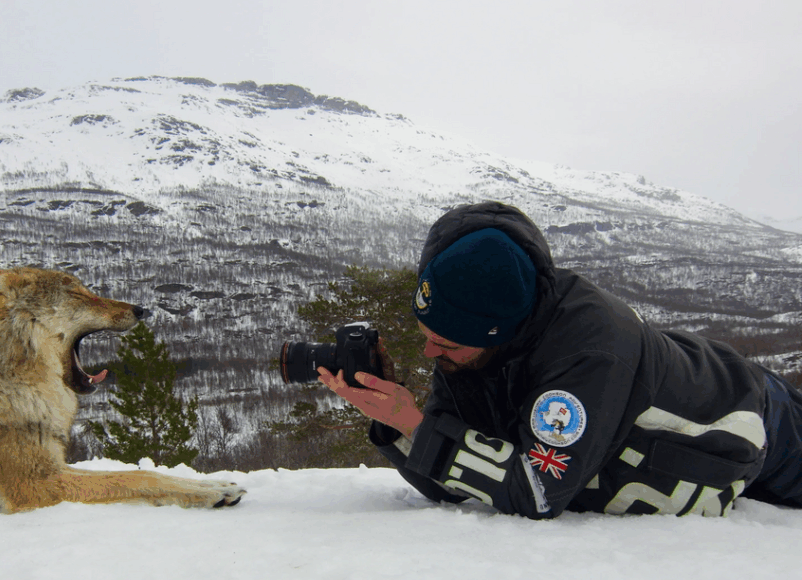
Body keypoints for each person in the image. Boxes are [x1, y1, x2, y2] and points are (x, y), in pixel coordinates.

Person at [318, 201, 802, 518]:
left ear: (497, 333)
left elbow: (536, 491)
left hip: (753, 421)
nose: (429, 353)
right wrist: (398, 421)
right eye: (427, 336)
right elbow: (457, 480)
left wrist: (415, 425)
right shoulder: (474, 346)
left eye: (446, 345)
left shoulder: (590, 353)